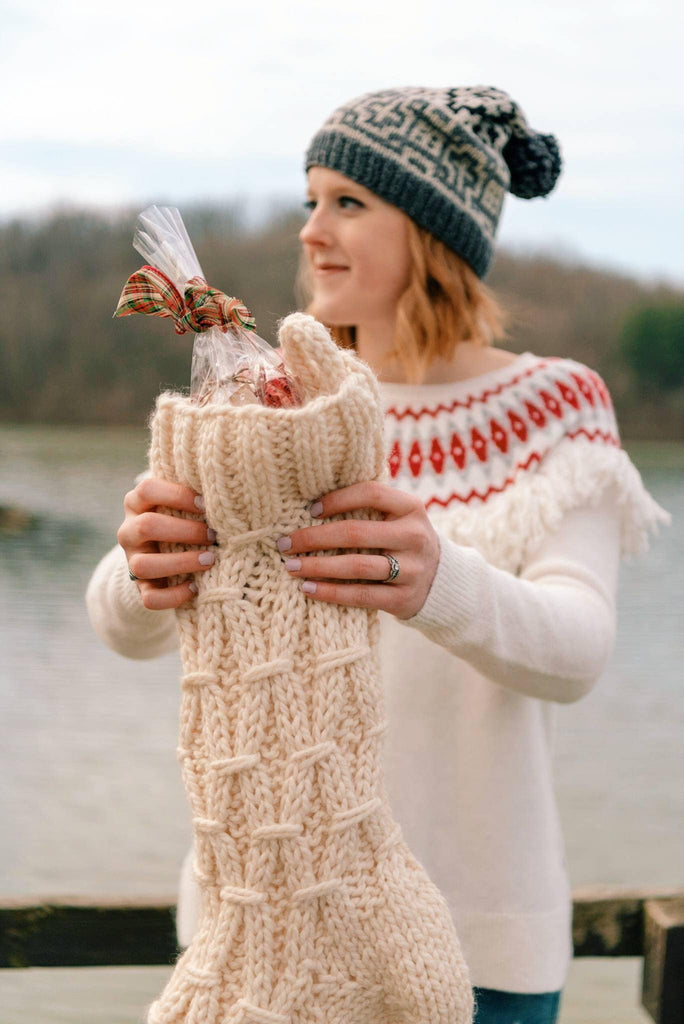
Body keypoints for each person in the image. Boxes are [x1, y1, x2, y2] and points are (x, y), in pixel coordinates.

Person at [87, 86, 670, 1023]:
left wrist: (435, 579)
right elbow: (125, 626)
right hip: (257, 932)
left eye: (349, 203)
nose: (312, 231)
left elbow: (578, 650)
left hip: (481, 946)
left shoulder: (553, 402)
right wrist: (146, 568)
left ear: (435, 234)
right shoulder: (272, 393)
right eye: (309, 200)